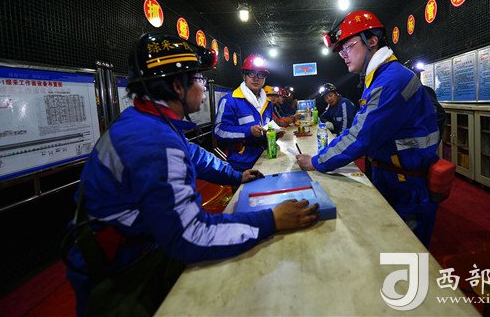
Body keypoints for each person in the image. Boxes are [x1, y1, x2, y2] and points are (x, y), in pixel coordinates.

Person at [65, 34, 318, 317]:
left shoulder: (147, 121)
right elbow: (190, 234)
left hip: (139, 244)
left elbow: (194, 155)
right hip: (120, 270)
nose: (203, 86)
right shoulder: (152, 141)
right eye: (199, 78)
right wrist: (272, 219)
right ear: (177, 86)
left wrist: (236, 175)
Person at [296, 10, 440, 246]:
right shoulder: (380, 76)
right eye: (341, 51)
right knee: (389, 250)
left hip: (406, 183)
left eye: (348, 47)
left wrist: (316, 161)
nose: (344, 55)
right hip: (393, 173)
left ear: (372, 41)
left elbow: (361, 136)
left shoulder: (391, 80)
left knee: (406, 255)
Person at [213, 54, 284, 170]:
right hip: (241, 165)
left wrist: (274, 134)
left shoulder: (267, 103)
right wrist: (249, 131)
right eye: (251, 73)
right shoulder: (230, 101)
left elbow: (268, 128)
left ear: (265, 78)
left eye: (261, 74)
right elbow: (219, 131)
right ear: (244, 76)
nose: (256, 78)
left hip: (265, 158)